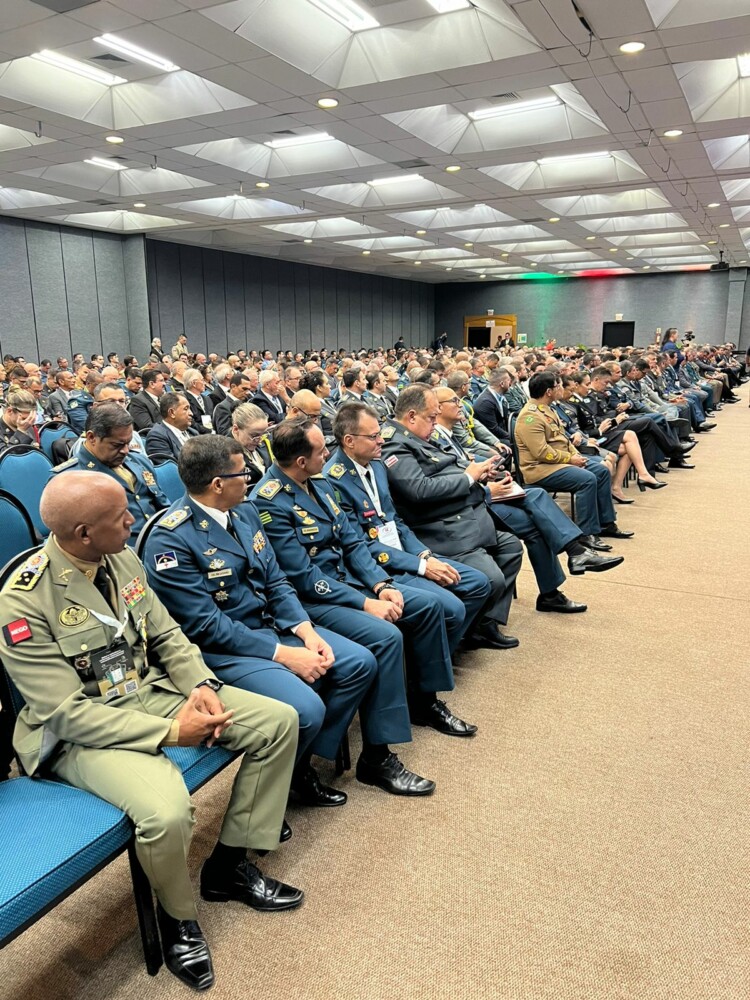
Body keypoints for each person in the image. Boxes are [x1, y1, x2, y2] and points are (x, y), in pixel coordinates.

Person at [0, 472, 303, 991]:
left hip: (150, 690)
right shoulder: (22, 601)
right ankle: (178, 920)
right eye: (119, 516)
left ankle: (228, 866)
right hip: (82, 732)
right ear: (83, 533)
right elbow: (66, 714)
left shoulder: (119, 557)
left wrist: (201, 683)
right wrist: (171, 731)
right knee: (165, 812)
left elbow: (166, 634)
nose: (133, 520)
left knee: (277, 722)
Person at [144, 435, 387, 809]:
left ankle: (296, 768)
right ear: (217, 484)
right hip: (224, 650)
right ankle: (270, 792)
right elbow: (208, 626)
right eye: (243, 473)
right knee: (306, 709)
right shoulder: (171, 540)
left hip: (272, 626)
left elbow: (275, 580)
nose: (251, 478)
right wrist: (285, 655)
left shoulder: (245, 512)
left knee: (359, 663)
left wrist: (305, 630)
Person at [250, 419, 453, 793]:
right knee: (386, 637)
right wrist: (364, 602)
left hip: (349, 582)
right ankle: (376, 757)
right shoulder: (268, 502)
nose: (328, 454)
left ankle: (422, 702)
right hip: (313, 599)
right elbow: (304, 577)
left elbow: (353, 543)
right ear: (300, 461)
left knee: (418, 607)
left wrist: (380, 584)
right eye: (320, 450)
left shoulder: (319, 483)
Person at [383, 386, 620, 621]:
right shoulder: (397, 442)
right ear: (412, 416)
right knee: (537, 517)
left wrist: (484, 474)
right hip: (457, 511)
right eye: (432, 416)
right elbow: (421, 489)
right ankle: (567, 562)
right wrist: (479, 483)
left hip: (469, 499)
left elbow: (451, 466)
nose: (458, 405)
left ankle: (568, 562)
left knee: (537, 508)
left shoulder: (423, 434)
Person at [325, 402, 494, 663]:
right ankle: (428, 669)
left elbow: (394, 520)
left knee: (478, 583)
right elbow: (360, 545)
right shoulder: (333, 480)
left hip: (403, 550)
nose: (382, 440)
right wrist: (421, 566)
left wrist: (424, 554)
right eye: (373, 436)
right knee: (450, 607)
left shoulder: (376, 465)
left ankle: (434, 656)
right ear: (349, 441)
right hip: (378, 565)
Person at [52, 403, 168, 536]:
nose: (125, 451)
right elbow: (75, 538)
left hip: (160, 538)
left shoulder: (139, 461)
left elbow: (164, 506)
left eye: (128, 443)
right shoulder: (68, 480)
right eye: (117, 445)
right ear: (92, 438)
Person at [145, 393, 198, 461]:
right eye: (186, 409)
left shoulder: (193, 432)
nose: (191, 413)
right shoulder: (156, 437)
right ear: (172, 413)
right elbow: (170, 466)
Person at [231, 402, 270, 484]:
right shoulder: (227, 454)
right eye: (254, 435)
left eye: (263, 434)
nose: (259, 440)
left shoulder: (264, 442)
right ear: (236, 429)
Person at [129, 369, 166, 433]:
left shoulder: (162, 398)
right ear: (152, 384)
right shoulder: (138, 401)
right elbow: (146, 426)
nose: (164, 384)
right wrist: (169, 429)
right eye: (161, 381)